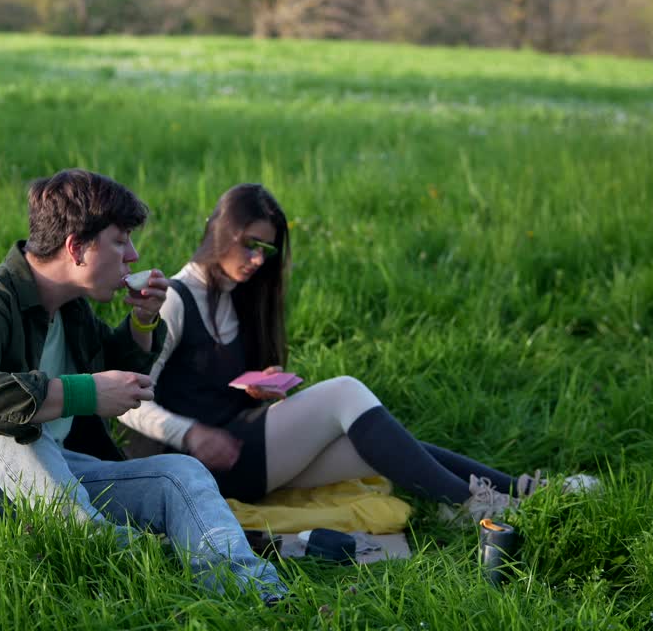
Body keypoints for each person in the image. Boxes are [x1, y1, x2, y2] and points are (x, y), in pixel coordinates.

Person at [0, 170, 286, 600]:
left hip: (56, 475)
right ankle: (130, 561)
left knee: (181, 474)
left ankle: (258, 594)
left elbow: (114, 364)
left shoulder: (70, 308)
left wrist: (142, 321)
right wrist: (83, 393)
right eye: (120, 241)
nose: (132, 255)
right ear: (76, 248)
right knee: (21, 432)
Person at [120, 183, 596, 523]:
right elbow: (129, 398)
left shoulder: (235, 298)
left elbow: (202, 382)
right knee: (346, 392)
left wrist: (252, 385)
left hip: (244, 447)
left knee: (383, 447)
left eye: (267, 249)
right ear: (221, 231)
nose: (259, 259)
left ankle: (520, 491)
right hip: (209, 465)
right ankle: (472, 507)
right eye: (251, 244)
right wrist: (190, 434)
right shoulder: (177, 301)